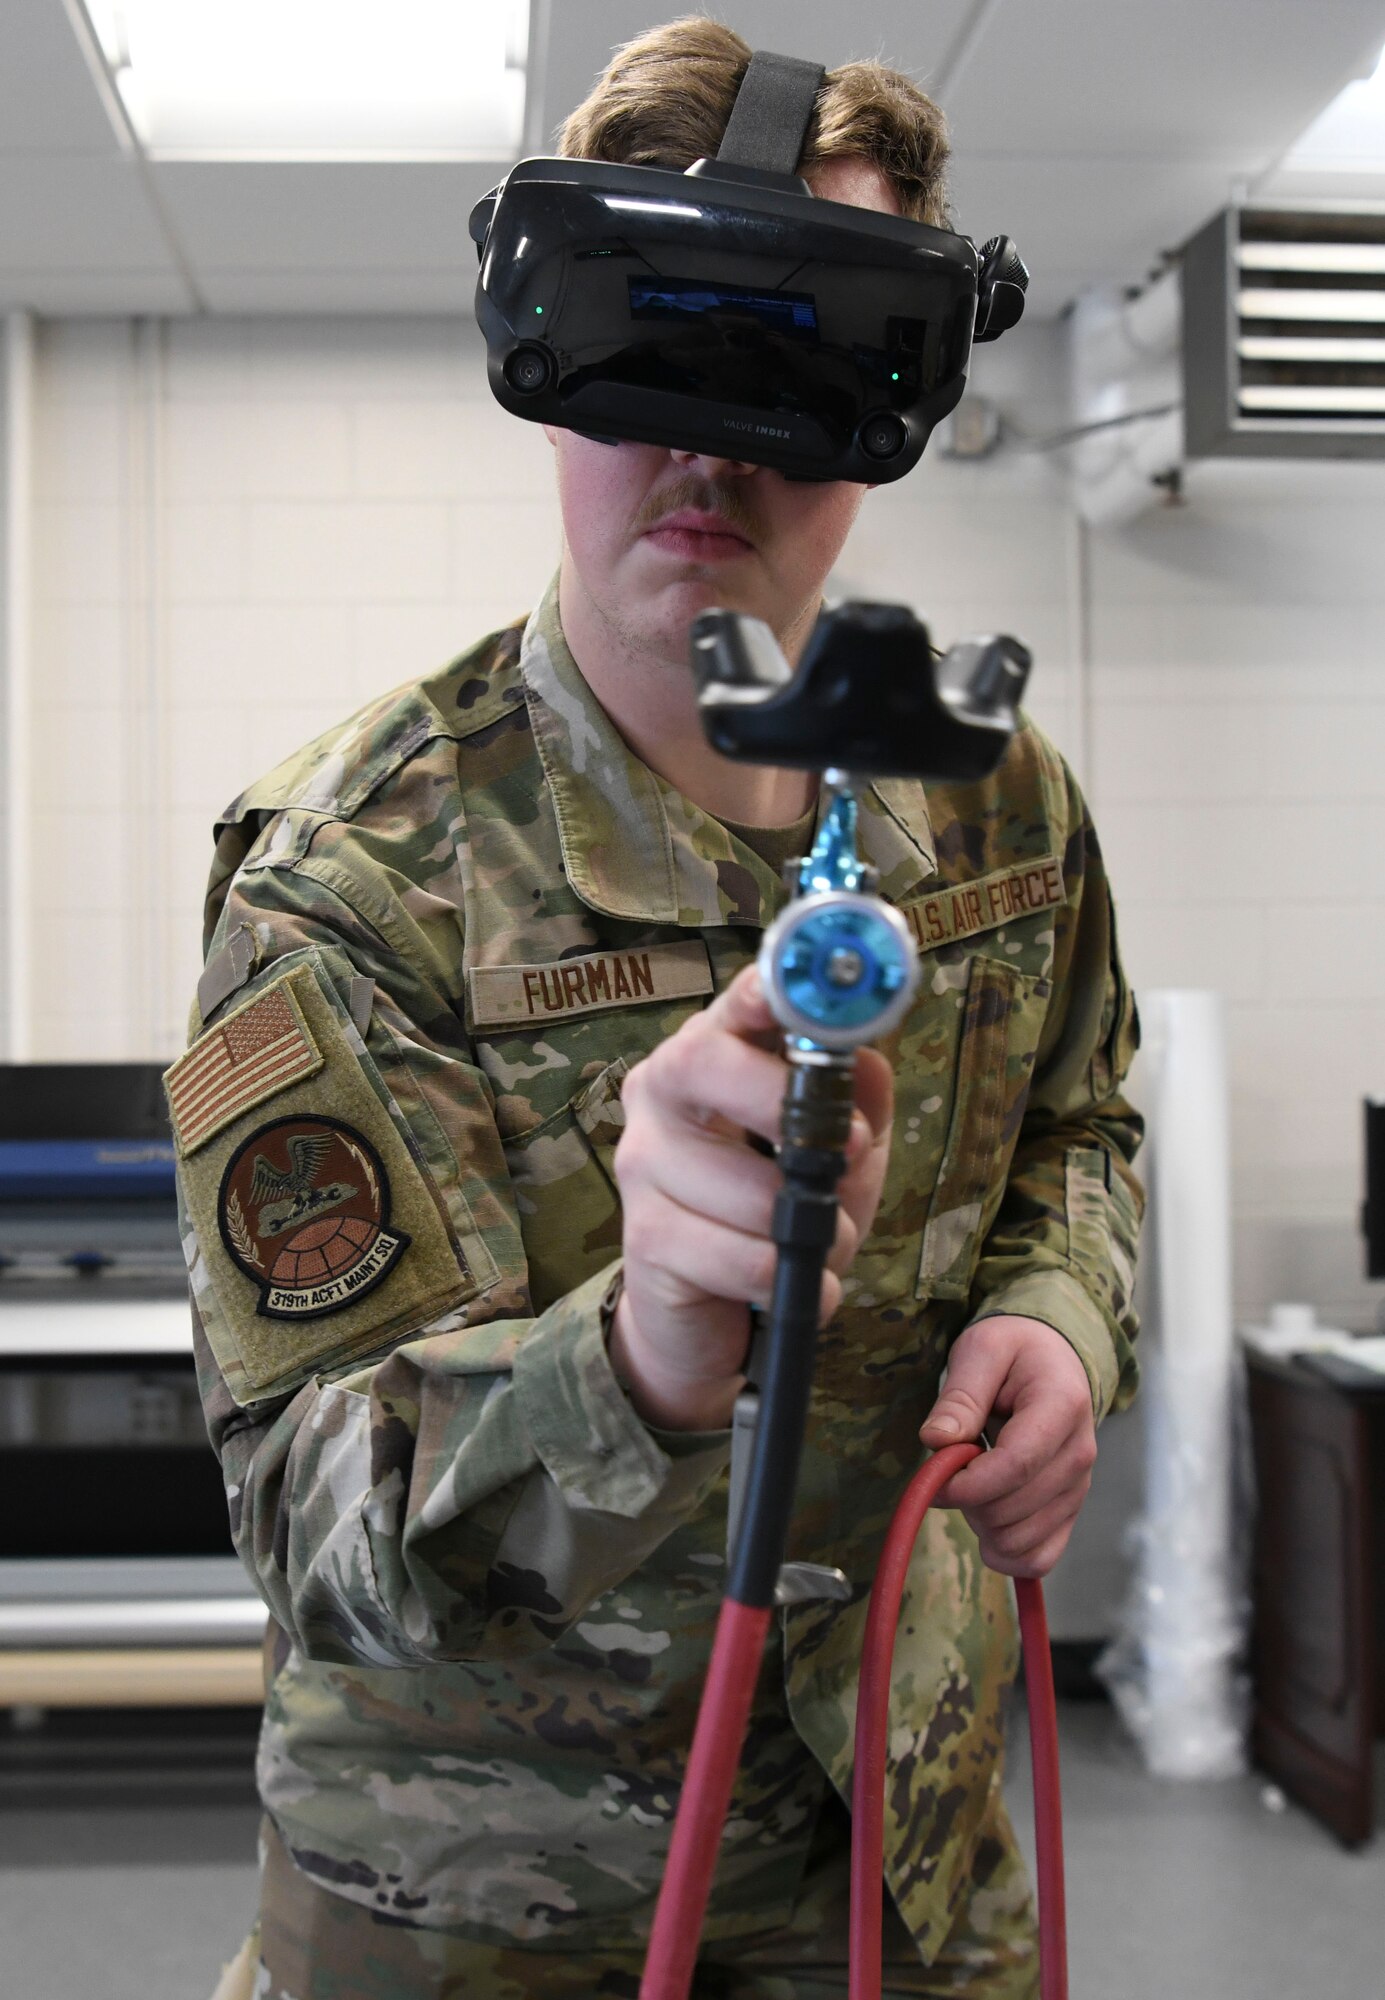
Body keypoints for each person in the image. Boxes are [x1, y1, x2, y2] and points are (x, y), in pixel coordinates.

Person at [181, 19, 1142, 2000]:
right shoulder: (347, 878)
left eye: (796, 360)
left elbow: (1086, 1125)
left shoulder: (997, 797)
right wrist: (627, 1356)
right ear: (543, 364)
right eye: (652, 340)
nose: (711, 444)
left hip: (909, 1869)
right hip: (495, 1919)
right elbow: (310, 1530)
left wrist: (1067, 1309)